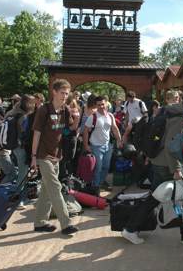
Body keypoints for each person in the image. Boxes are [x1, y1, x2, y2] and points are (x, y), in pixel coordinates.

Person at [122, 87, 183, 245]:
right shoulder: (180, 118)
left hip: (159, 161)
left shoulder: (170, 111)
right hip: (166, 164)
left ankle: (132, 229)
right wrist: (177, 169)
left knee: (157, 197)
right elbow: (170, 145)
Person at [30, 79, 79, 235]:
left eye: (67, 93)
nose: (65, 96)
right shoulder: (44, 110)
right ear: (54, 92)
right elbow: (36, 134)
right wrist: (33, 157)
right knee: (55, 187)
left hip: (56, 155)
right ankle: (66, 224)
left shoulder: (64, 110)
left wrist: (76, 118)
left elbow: (67, 131)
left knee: (46, 190)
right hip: (43, 156)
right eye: (62, 93)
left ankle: (40, 223)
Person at [83, 95, 123, 193]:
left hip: (107, 145)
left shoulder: (110, 115)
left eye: (103, 104)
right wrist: (86, 145)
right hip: (96, 146)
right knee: (98, 167)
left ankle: (100, 183)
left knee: (106, 167)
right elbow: (85, 131)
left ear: (106, 103)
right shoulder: (93, 116)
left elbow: (114, 128)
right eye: (99, 105)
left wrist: (119, 140)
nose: (101, 106)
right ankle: (95, 187)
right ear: (96, 105)